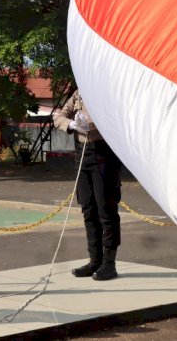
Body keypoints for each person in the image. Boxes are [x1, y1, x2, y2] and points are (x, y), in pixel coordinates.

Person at [54, 89, 123, 281]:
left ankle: (109, 263)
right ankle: (95, 260)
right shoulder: (79, 92)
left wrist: (88, 125)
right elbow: (59, 117)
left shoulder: (106, 89)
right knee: (88, 208)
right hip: (82, 153)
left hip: (103, 153)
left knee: (106, 209)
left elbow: (113, 118)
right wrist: (72, 124)